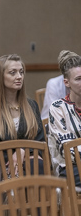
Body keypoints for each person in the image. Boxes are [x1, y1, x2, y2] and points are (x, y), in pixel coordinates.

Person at [0, 54, 45, 175]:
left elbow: (40, 141)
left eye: (21, 72)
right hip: (1, 164)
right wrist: (12, 155)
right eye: (12, 73)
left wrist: (23, 150)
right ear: (0, 77)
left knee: (37, 164)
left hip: (29, 161)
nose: (19, 77)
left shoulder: (31, 105)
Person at [48, 50, 81, 186]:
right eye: (78, 79)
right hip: (70, 168)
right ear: (67, 83)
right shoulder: (57, 108)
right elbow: (67, 149)